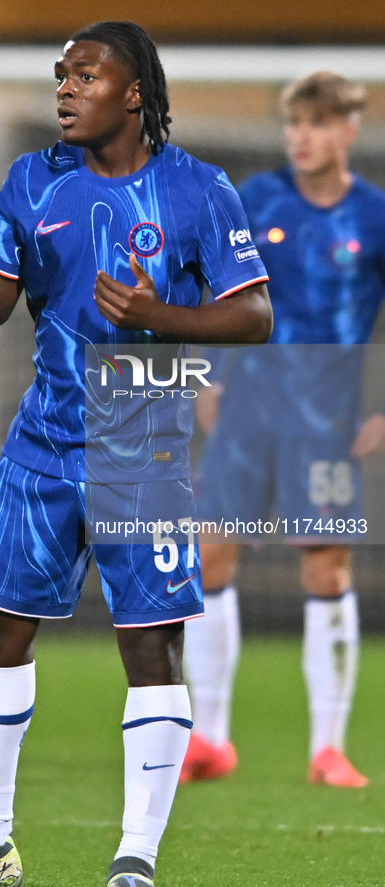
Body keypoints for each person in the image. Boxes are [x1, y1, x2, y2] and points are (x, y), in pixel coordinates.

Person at [0, 21, 272, 887]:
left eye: (85, 76)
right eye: (60, 75)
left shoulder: (199, 189)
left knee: (147, 648)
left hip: (140, 452)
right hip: (41, 445)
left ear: (132, 93)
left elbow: (253, 315)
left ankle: (134, 860)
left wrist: (160, 319)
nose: (64, 89)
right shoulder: (32, 179)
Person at [181, 71, 385, 789]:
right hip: (247, 414)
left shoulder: (373, 215)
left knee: (325, 566)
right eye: (293, 123)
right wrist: (207, 371)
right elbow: (219, 286)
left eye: (317, 123)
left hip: (324, 423)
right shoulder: (258, 198)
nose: (301, 137)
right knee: (209, 559)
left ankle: (327, 746)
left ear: (346, 131)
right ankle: (209, 738)